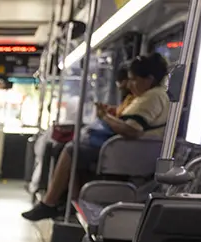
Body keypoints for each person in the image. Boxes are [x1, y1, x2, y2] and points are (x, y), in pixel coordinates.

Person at [22, 53, 170, 221]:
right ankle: (70, 202)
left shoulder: (152, 97)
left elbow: (132, 130)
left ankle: (50, 203)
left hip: (130, 153)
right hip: (126, 149)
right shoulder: (148, 97)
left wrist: (105, 117)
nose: (131, 85)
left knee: (72, 149)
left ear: (148, 79)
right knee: (72, 149)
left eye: (134, 79)